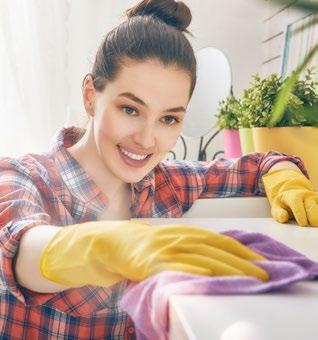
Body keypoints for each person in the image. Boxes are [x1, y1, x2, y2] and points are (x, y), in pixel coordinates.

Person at [0, 0, 317, 338]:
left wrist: (285, 176)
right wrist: (104, 247)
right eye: (130, 109)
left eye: (169, 118)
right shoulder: (24, 177)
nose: (147, 139)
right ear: (91, 95)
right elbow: (21, 252)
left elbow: (258, 165)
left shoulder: (167, 185)